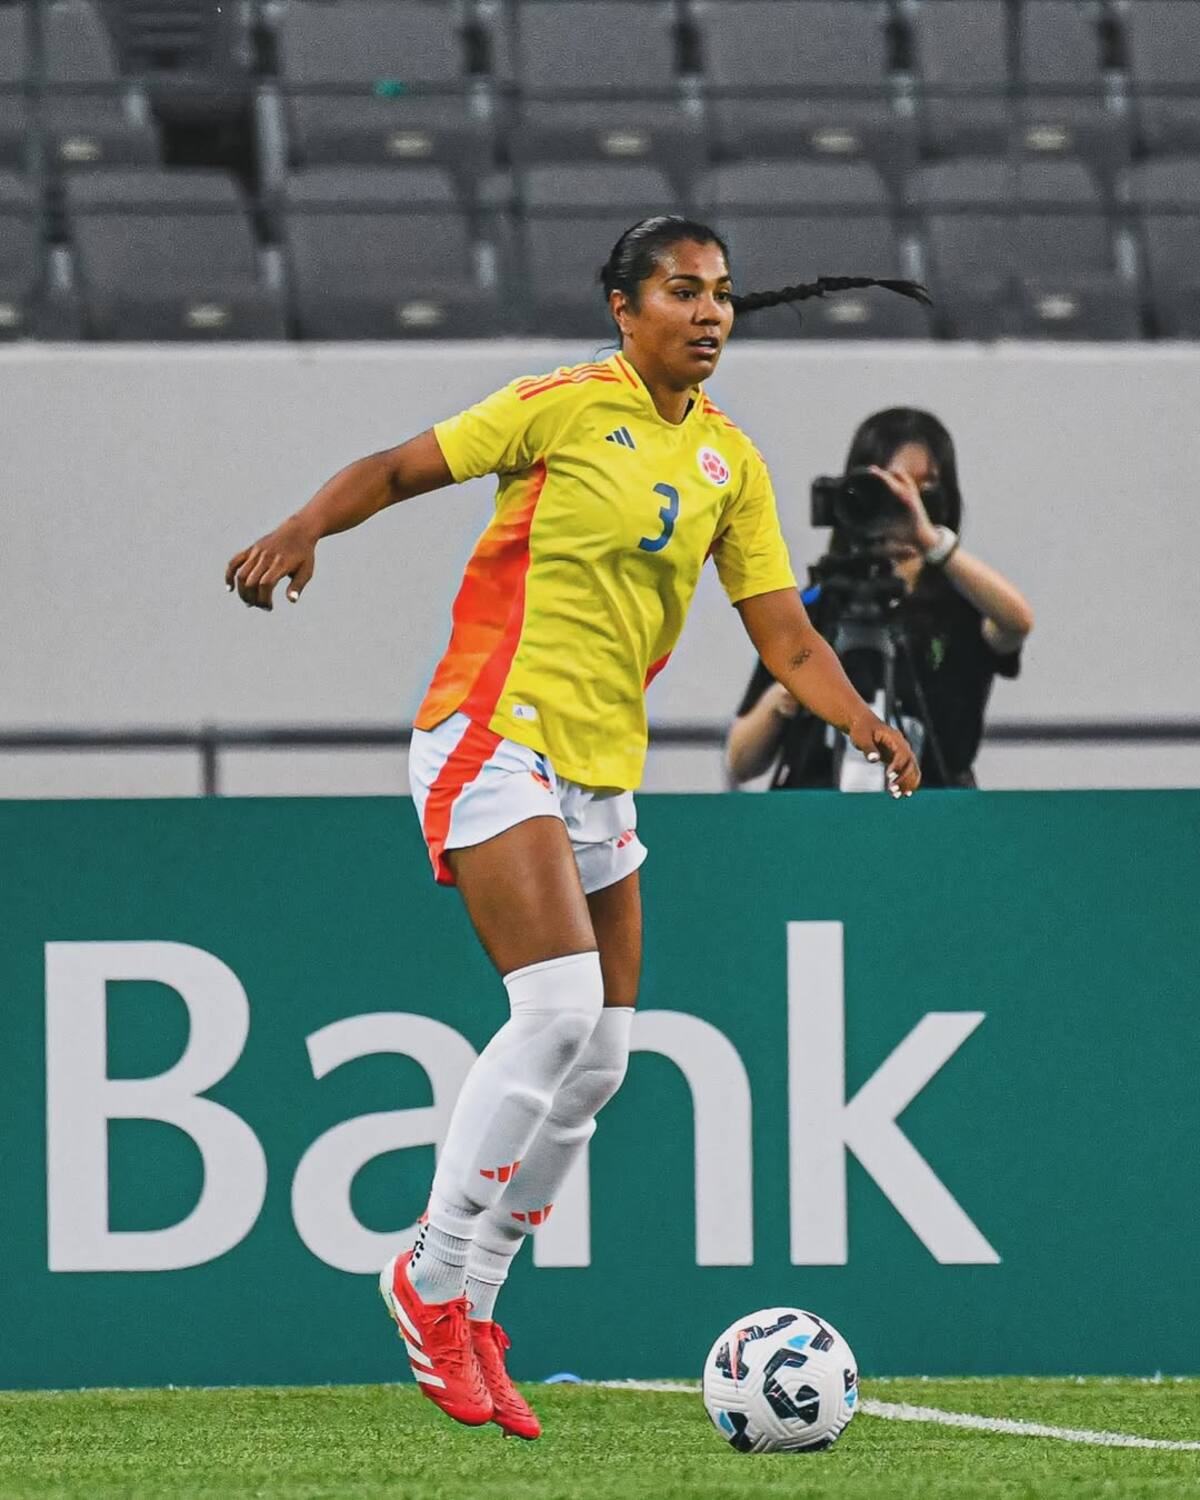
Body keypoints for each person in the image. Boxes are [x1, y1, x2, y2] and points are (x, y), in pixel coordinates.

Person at [224, 218, 922, 1441]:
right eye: (680, 291)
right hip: (493, 732)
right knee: (549, 1017)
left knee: (598, 1061)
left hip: (600, 771)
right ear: (621, 306)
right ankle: (428, 1277)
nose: (709, 313)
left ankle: (478, 1302)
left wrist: (865, 720)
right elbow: (395, 468)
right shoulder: (557, 408)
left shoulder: (730, 466)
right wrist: (302, 528)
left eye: (721, 295)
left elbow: (784, 638)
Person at [727, 408, 1034, 790]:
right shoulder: (820, 604)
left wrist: (930, 540)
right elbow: (740, 760)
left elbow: (1017, 621)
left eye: (923, 489)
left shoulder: (962, 606)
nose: (905, 504)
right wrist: (787, 694)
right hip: (820, 821)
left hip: (932, 817)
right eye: (888, 488)